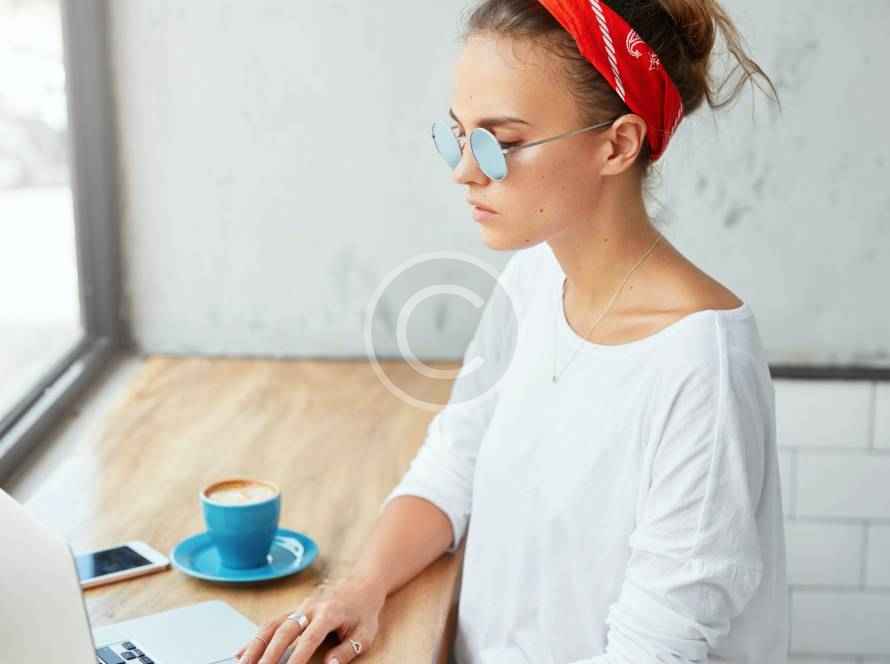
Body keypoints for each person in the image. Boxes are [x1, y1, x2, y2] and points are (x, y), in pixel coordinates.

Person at [234, 0, 786, 663]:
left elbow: (656, 649)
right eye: (458, 136)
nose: (464, 171)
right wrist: (362, 586)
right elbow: (452, 466)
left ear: (617, 144)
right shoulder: (534, 279)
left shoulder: (704, 364)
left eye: (501, 143)